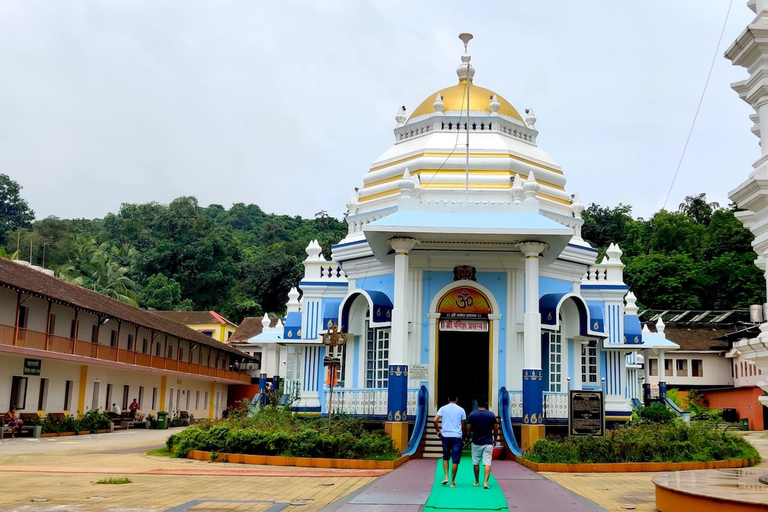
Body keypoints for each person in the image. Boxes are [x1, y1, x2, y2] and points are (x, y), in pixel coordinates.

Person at [465, 397, 499, 489]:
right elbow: (496, 428)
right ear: (486, 403)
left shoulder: (472, 414)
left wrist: (467, 439)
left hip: (476, 441)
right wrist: (495, 439)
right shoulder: (491, 415)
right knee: (487, 462)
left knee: (476, 462)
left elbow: (468, 429)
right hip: (488, 441)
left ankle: (476, 481)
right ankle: (485, 482)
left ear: (478, 404)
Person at [433, 395, 466, 488]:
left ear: (448, 399)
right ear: (457, 399)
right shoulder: (461, 410)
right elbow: (463, 425)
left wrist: (438, 430)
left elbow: (434, 420)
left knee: (445, 457)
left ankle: (446, 476)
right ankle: (452, 482)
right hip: (457, 436)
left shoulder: (443, 408)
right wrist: (463, 437)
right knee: (455, 460)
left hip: (445, 436)